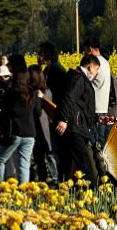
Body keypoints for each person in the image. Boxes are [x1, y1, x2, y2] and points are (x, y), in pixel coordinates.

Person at [0, 54, 41, 184]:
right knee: (24, 165)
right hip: (30, 133)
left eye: (9, 64)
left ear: (13, 67)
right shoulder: (32, 90)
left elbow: (4, 112)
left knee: (0, 160)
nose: (7, 66)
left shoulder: (11, 90)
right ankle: (23, 193)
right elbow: (38, 112)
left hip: (14, 131)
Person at [55, 53, 100, 186]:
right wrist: (64, 119)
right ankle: (92, 192)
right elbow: (69, 98)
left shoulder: (75, 77)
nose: (95, 75)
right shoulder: (79, 79)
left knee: (69, 162)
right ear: (91, 67)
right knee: (84, 162)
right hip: (75, 127)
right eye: (96, 70)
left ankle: (64, 188)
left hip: (75, 125)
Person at [28, 64, 58, 184]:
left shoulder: (45, 92)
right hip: (37, 126)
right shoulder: (40, 91)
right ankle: (42, 177)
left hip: (45, 127)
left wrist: (41, 98)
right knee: (39, 154)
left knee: (49, 153)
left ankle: (55, 177)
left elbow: (49, 107)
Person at [83, 37, 112, 148]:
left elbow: (84, 82)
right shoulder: (106, 62)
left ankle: (97, 166)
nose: (84, 54)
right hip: (103, 109)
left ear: (90, 49)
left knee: (95, 144)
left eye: (85, 50)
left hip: (94, 111)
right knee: (102, 142)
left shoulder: (95, 65)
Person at [38, 42, 68, 107]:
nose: (38, 56)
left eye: (40, 54)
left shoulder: (57, 70)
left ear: (47, 54)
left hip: (57, 106)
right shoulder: (47, 69)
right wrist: (39, 66)